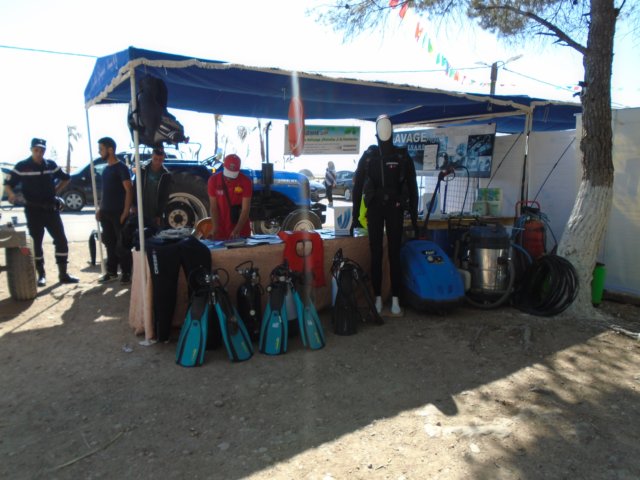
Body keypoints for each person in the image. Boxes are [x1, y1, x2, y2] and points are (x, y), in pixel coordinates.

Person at [351, 115, 419, 317]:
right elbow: (357, 189)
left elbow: (413, 188)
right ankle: (378, 297)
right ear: (376, 131)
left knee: (394, 254)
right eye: (381, 127)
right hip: (375, 209)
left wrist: (414, 217)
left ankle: (395, 297)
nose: (384, 130)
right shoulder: (369, 157)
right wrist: (354, 216)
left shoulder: (402, 157)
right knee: (376, 254)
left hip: (395, 209)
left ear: (393, 130)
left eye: (387, 126)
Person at [3, 138, 79, 286]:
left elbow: (66, 178)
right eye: (36, 150)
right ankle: (41, 275)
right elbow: (8, 184)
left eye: (42, 150)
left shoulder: (50, 165)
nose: (39, 153)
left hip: (51, 209)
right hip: (33, 211)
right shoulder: (22, 166)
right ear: (31, 149)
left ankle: (63, 274)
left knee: (61, 240)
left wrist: (56, 190)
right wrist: (11, 194)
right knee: (36, 243)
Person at [95, 137, 133, 284]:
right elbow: (104, 192)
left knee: (122, 244)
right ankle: (111, 273)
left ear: (110, 150)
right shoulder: (105, 169)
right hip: (106, 213)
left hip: (119, 213)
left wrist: (125, 211)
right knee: (109, 244)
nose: (99, 152)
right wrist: (100, 209)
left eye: (101, 149)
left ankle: (126, 273)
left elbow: (129, 190)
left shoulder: (121, 168)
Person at [207, 154, 252, 240]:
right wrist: (215, 228)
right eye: (228, 173)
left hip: (240, 227)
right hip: (221, 227)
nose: (229, 178)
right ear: (223, 166)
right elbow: (213, 207)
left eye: (233, 174)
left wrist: (237, 230)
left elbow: (245, 209)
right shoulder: (213, 180)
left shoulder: (246, 182)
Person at [131, 146, 172, 228]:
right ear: (151, 157)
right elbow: (135, 187)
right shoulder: (142, 169)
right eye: (155, 159)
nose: (157, 162)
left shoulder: (166, 174)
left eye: (160, 159)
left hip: (154, 209)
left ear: (163, 158)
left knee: (152, 230)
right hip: (140, 206)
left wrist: (159, 214)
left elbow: (164, 196)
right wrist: (133, 205)